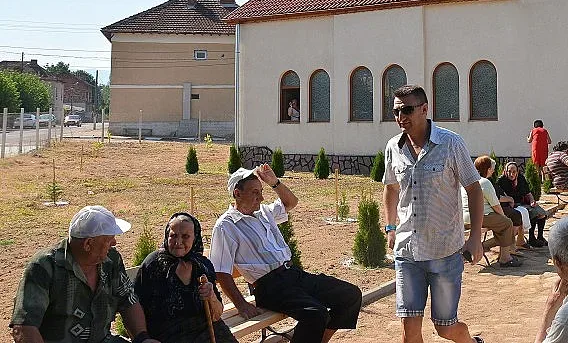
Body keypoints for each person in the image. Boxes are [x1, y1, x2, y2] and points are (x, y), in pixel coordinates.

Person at [210, 165, 362, 343]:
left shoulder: (264, 212)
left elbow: (291, 202)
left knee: (350, 295)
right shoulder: (226, 226)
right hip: (270, 287)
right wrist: (241, 304)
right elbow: (220, 272)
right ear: (237, 193)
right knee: (315, 313)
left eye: (261, 191)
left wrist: (274, 182)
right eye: (255, 193)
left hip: (293, 275)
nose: (261, 197)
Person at [382, 84, 486, 343]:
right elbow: (391, 188)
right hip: (407, 253)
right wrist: (390, 227)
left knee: (445, 328)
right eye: (395, 111)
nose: (400, 117)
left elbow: (473, 188)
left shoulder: (450, 143)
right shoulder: (393, 147)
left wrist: (474, 237)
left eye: (407, 110)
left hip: (444, 253)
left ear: (424, 109)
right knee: (409, 332)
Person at [10, 206, 162, 343]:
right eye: (109, 239)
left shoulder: (111, 260)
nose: (114, 243)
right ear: (88, 244)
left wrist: (142, 338)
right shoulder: (44, 267)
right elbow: (24, 327)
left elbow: (128, 301)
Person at [135, 213, 238, 343]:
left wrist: (211, 296)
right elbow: (135, 305)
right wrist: (143, 338)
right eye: (173, 235)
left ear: (194, 238)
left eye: (185, 236)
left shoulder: (202, 266)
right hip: (170, 335)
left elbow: (216, 315)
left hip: (207, 330)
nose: (178, 242)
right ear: (167, 235)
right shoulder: (153, 265)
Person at [462, 157, 522, 267]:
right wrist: (503, 217)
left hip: (465, 217)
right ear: (488, 169)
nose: (493, 171)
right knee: (507, 224)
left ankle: (482, 247)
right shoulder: (485, 182)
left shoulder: (467, 182)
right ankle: (505, 258)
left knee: (500, 225)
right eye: (492, 168)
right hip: (481, 216)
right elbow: (496, 205)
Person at [496, 161, 549, 247]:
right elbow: (500, 196)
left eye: (514, 172)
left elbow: (528, 192)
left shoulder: (521, 178)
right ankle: (531, 238)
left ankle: (540, 236)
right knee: (533, 213)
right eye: (509, 171)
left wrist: (532, 200)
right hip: (512, 205)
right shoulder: (501, 180)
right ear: (505, 171)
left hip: (522, 202)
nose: (511, 174)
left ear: (517, 172)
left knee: (542, 213)